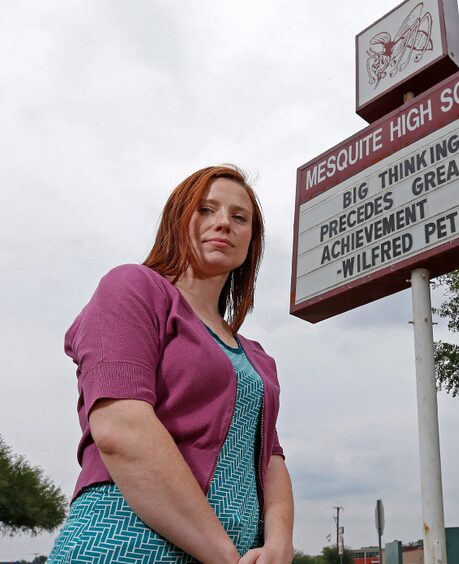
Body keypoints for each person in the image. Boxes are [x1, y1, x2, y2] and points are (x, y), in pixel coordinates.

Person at [49, 165, 294, 563]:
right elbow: (120, 428)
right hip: (126, 542)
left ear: (252, 240)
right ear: (177, 219)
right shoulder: (134, 288)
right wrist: (223, 555)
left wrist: (280, 543)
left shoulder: (257, 356)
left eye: (239, 217)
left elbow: (271, 458)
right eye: (206, 209)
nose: (223, 224)